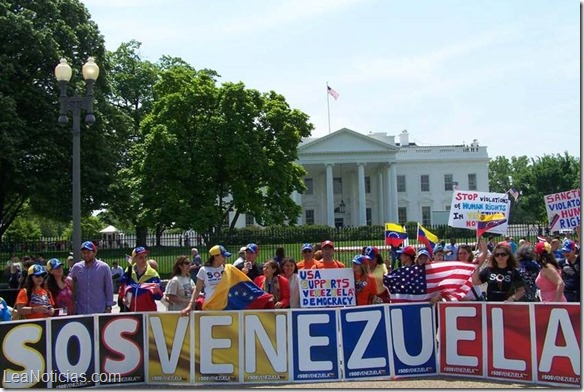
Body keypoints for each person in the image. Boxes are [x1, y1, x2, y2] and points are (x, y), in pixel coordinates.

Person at [69, 241, 115, 314]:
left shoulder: (104, 267)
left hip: (99, 309)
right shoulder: (76, 267)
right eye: (84, 253)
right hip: (81, 310)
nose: (86, 255)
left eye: (88, 252)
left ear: (94, 252)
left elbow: (109, 287)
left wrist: (109, 306)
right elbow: (69, 283)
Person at [181, 245, 230, 314]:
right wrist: (190, 305)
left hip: (225, 306)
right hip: (209, 306)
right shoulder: (203, 270)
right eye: (223, 256)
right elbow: (197, 289)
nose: (225, 258)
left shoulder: (227, 269)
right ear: (215, 257)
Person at [120, 247, 163, 312]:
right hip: (132, 313)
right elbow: (123, 287)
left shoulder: (153, 274)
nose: (144, 260)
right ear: (134, 259)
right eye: (141, 258)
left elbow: (159, 297)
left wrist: (157, 291)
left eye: (145, 257)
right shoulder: (128, 271)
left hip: (149, 313)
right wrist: (123, 297)